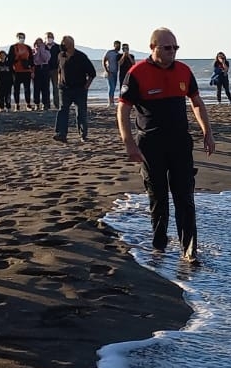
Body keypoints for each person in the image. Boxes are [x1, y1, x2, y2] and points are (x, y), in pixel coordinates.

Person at [118, 28, 215, 263]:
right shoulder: (137, 73)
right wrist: (129, 143)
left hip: (180, 143)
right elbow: (123, 109)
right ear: (153, 48)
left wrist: (207, 132)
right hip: (150, 145)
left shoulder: (184, 71)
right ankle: (159, 245)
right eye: (167, 48)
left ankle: (188, 250)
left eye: (175, 48)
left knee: (185, 197)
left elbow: (196, 102)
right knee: (158, 197)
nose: (172, 52)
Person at [54, 35, 97, 142]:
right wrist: (59, 83)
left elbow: (92, 73)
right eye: (62, 43)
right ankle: (61, 134)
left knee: (81, 112)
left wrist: (86, 87)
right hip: (64, 89)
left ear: (70, 44)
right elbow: (59, 70)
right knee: (63, 110)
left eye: (64, 43)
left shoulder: (81, 56)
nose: (62, 45)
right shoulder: (61, 55)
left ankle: (83, 135)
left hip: (79, 89)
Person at [8, 33, 34, 110]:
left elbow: (31, 59)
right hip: (17, 70)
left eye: (22, 37)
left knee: (27, 88)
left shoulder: (28, 47)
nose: (21, 38)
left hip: (26, 70)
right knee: (16, 89)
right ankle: (17, 104)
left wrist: (31, 69)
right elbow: (10, 60)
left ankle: (28, 104)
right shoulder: (13, 47)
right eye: (20, 37)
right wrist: (12, 70)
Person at [32, 36, 54, 110]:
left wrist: (42, 50)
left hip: (45, 68)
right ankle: (37, 103)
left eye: (40, 43)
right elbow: (35, 60)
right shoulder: (33, 51)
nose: (39, 44)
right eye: (37, 43)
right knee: (36, 87)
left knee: (45, 87)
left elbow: (46, 59)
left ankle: (46, 103)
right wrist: (37, 51)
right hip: (37, 69)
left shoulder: (47, 51)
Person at [103, 40, 122, 106]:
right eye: (117, 45)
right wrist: (107, 70)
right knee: (111, 87)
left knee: (113, 87)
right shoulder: (109, 52)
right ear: (114, 45)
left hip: (115, 72)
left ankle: (112, 101)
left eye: (119, 45)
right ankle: (110, 102)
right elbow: (104, 61)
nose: (118, 46)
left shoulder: (119, 54)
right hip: (109, 71)